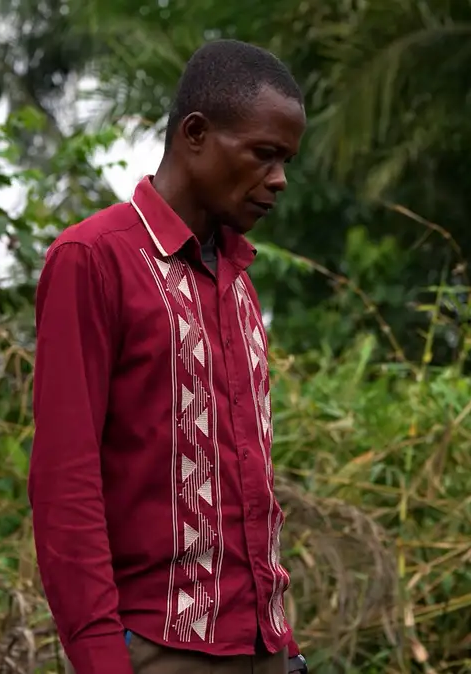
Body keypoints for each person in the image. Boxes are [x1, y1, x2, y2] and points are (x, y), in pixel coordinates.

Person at [29, 40, 309, 674]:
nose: (280, 179)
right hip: (159, 650)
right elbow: (64, 483)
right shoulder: (93, 259)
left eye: (286, 160)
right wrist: (102, 659)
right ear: (196, 134)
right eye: (264, 154)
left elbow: (248, 487)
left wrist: (284, 647)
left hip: (262, 649)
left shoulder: (238, 280)